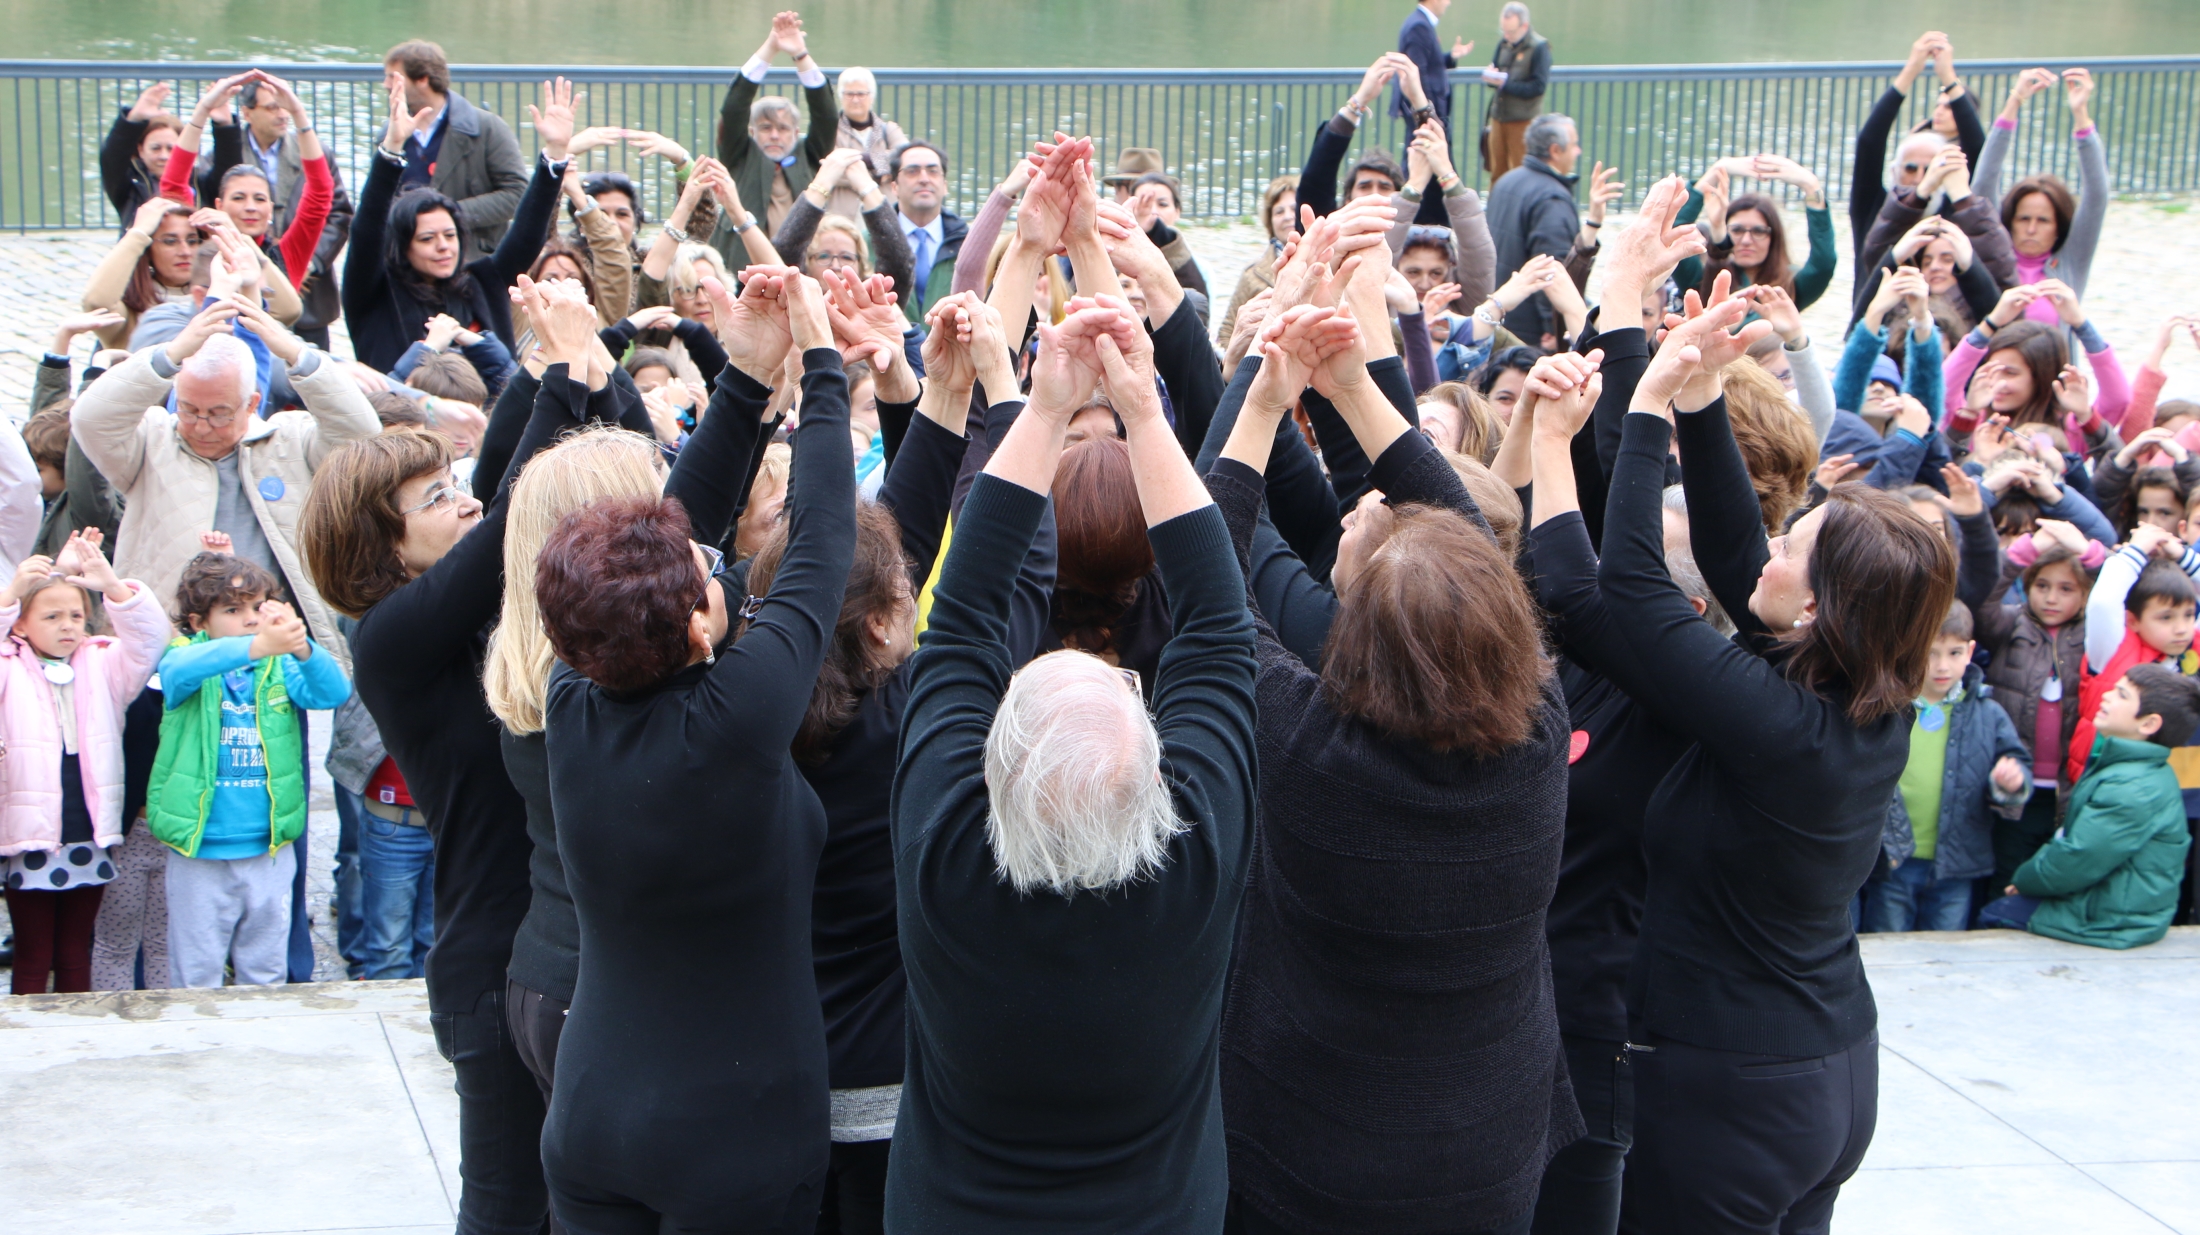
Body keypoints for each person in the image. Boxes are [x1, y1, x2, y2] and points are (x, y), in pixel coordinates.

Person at [1584, 177, 1958, 1234]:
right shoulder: (1850, 691)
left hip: (1731, 1092)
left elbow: (1628, 588)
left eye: (1797, 540)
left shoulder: (1778, 721)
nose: (1775, 535)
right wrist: (1705, 395)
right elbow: (1732, 549)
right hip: (1828, 1073)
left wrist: (1648, 406)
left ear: (1825, 600)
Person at [886, 198, 1257, 1233]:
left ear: (990, 767)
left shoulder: (945, 857)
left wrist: (1041, 410)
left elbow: (958, 617)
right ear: (1156, 770)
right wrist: (1142, 409)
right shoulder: (1194, 865)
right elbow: (1220, 632)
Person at [1208, 229, 1576, 1235]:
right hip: (1488, 1143)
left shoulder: (1308, 750)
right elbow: (1467, 539)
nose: (1364, 515)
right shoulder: (1537, 729)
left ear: (1351, 632)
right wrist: (1356, 390)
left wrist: (1265, 391)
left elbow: (1205, 586)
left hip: (1313, 1153)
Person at [523, 268, 849, 1233]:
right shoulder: (740, 714)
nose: (714, 566)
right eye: (708, 582)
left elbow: (667, 537)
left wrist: (748, 376)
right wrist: (822, 361)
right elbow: (824, 536)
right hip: (736, 1134)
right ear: (701, 636)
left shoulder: (572, 690)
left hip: (593, 1114)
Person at [300, 276, 627, 1230]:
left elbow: (494, 490)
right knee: (503, 1210)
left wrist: (539, 364)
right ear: (386, 543)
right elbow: (511, 508)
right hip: (489, 969)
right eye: (433, 499)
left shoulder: (451, 610)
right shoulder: (391, 637)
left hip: (559, 957)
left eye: (450, 485)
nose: (463, 503)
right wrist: (562, 377)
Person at [147, 550, 348, 988]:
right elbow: (178, 669)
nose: (251, 618)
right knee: (196, 973)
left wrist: (302, 647)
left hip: (269, 847)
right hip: (198, 850)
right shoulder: (184, 656)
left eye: (258, 607)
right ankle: (199, 1051)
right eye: (233, 610)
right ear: (200, 622)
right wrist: (256, 645)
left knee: (266, 969)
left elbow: (332, 691)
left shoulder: (279, 663)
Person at [0, 532, 168, 995]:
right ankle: (29, 1046)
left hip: (89, 832)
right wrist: (11, 594)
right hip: (29, 835)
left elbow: (151, 640)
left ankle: (80, 1040)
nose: (67, 625)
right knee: (34, 954)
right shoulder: (10, 663)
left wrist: (112, 586)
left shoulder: (103, 663)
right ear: (21, 624)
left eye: (76, 614)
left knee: (76, 951)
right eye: (51, 616)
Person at [343, 75, 574, 375]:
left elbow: (527, 235)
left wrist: (554, 155)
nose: (443, 246)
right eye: (427, 239)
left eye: (450, 235)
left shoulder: (481, 281)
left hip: (486, 418)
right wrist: (391, 151)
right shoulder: (374, 293)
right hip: (404, 418)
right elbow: (366, 231)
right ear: (403, 246)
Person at [1981, 664, 2199, 948]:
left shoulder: (2133, 787)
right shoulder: (2129, 768)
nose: (2107, 696)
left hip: (2116, 919)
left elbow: (2079, 856)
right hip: (2111, 904)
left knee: (1995, 914)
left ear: (2148, 724)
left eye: (2121, 695)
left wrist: (2025, 880)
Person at [1863, 600, 2031, 932]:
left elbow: (2018, 764)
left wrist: (2011, 781)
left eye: (1954, 653)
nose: (1942, 665)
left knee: (1947, 955)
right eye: (1930, 653)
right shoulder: (1888, 709)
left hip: (1957, 864)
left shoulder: (1988, 712)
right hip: (1894, 860)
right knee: (1889, 945)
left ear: (1970, 651)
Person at [159, 72, 336, 301]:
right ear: (219, 206)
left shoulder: (287, 254)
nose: (250, 207)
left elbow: (321, 192)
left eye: (260, 199)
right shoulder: (202, 249)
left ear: (270, 209)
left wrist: (298, 113)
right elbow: (173, 186)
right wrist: (202, 111)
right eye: (239, 198)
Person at [711, 10, 839, 272]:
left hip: (802, 272)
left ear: (795, 133)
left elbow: (826, 114)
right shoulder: (739, 155)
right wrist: (770, 49)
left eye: (782, 129)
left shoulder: (811, 154)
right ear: (752, 132)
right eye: (765, 128)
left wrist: (801, 56)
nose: (773, 135)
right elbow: (734, 107)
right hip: (741, 270)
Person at [382, 40, 530, 261]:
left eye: (393, 77)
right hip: (404, 263)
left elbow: (518, 194)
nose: (385, 84)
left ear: (422, 79)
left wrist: (448, 215)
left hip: (471, 262)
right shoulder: (389, 135)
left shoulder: (487, 128)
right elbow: (380, 200)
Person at [1849, 31, 1984, 273]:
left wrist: (1949, 78)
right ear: (1895, 171)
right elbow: (1869, 143)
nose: (1921, 178)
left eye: (1931, 169)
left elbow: (1977, 153)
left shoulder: (1951, 216)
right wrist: (1912, 69)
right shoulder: (1873, 209)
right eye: (1911, 168)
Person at [1676, 156, 1837, 311]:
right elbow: (1673, 236)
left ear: (1773, 238)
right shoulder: (1701, 279)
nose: (1746, 240)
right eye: (1737, 230)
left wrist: (1811, 186)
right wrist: (1715, 172)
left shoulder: (1790, 286)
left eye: (1758, 231)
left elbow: (1824, 262)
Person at [1485, 113, 1587, 345]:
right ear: (1555, 151)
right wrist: (1551, 326)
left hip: (1502, 310)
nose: (1578, 151)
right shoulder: (1551, 198)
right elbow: (1551, 267)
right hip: (1530, 330)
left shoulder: (1505, 182)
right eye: (1574, 144)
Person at [889, 141, 967, 322]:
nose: (924, 178)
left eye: (933, 171)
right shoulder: (869, 241)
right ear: (895, 187)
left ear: (945, 185)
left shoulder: (966, 242)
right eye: (912, 171)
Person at [100, 81, 191, 228]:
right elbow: (112, 159)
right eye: (156, 148)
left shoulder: (200, 182)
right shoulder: (130, 187)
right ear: (141, 150)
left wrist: (224, 125)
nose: (164, 156)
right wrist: (133, 120)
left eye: (171, 149)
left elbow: (226, 164)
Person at [1221, 175, 1298, 345]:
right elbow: (1227, 333)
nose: (1287, 216)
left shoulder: (1329, 265)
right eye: (1279, 211)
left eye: (1294, 209)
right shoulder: (1252, 275)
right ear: (1270, 221)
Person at [1481, 3, 1553, 185]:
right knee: (1497, 172)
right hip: (1499, 118)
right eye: (1503, 31)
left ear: (1525, 26)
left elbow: (1538, 87)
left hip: (1523, 122)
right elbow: (1496, 71)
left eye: (1511, 32)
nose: (1506, 36)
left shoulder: (1539, 48)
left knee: (1521, 173)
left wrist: (1506, 84)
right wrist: (1492, 78)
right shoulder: (1503, 44)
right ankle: (1496, 211)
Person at [1392, 0, 1472, 147]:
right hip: (1427, 115)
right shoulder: (1419, 26)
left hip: (1426, 112)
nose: (1448, 3)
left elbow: (1429, 65)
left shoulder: (1420, 23)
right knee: (1426, 161)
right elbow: (1419, 75)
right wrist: (1430, 115)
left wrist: (1451, 57)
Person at [833, 66, 908, 217]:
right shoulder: (830, 132)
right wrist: (881, 174)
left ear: (871, 97)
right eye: (849, 94)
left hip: (885, 213)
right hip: (844, 217)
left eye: (861, 94)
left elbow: (904, 157)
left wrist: (857, 163)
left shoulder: (888, 130)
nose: (855, 99)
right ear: (841, 97)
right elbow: (832, 169)